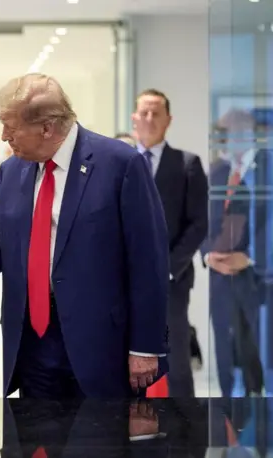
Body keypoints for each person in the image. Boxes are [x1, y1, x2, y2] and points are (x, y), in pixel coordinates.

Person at [0, 73, 170, 399]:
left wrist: (146, 346)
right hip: (32, 344)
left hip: (101, 346)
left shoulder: (120, 164)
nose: (4, 135)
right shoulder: (12, 171)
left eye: (11, 126)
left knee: (98, 444)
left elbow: (148, 260)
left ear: (47, 128)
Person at [132, 89, 208, 397]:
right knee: (120, 360)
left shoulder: (187, 164)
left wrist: (168, 268)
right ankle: (122, 436)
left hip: (171, 282)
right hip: (123, 280)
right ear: (134, 118)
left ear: (168, 120)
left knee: (175, 360)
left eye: (156, 113)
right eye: (144, 112)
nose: (149, 119)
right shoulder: (118, 162)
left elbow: (199, 224)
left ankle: (184, 438)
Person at [201, 109, 269, 397]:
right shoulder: (215, 172)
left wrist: (252, 255)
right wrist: (207, 255)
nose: (234, 138)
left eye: (241, 131)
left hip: (260, 276)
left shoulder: (268, 168)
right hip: (220, 275)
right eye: (228, 133)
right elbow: (200, 221)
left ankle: (262, 421)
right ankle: (229, 422)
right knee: (225, 351)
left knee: (257, 350)